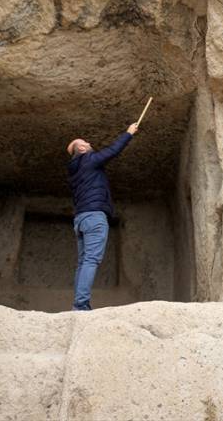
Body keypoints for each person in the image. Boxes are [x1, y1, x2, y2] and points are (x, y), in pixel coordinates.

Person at [66, 122, 138, 311]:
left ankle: (78, 303)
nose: (89, 143)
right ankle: (81, 305)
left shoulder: (74, 171)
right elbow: (113, 151)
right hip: (94, 217)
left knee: (83, 262)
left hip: (80, 220)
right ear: (81, 148)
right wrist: (128, 133)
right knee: (91, 260)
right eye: (85, 142)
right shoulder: (88, 159)